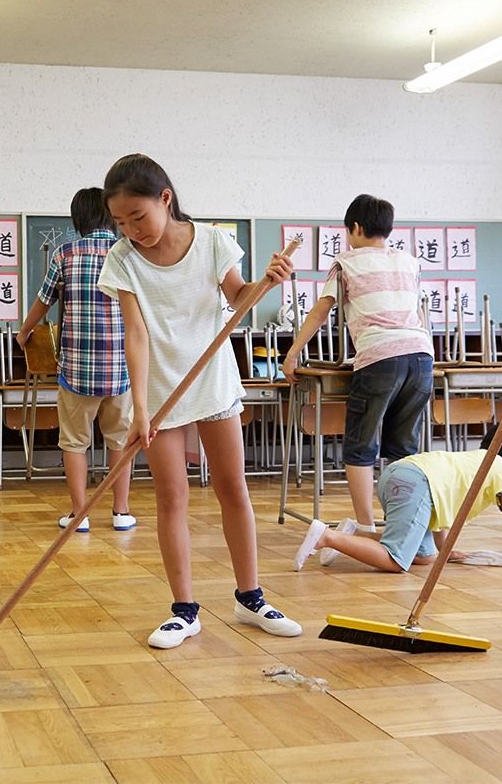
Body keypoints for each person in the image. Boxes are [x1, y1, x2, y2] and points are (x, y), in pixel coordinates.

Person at [96, 153, 300, 648]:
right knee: (172, 498)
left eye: (138, 217)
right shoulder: (121, 258)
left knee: (234, 488)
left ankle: (250, 597)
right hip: (161, 391)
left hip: (212, 383)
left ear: (165, 199)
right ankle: (185, 610)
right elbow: (135, 333)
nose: (131, 230)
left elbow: (238, 298)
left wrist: (266, 283)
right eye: (121, 222)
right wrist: (140, 408)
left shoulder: (211, 241)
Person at [282, 194, 433, 548]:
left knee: (360, 448)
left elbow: (322, 311)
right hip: (422, 356)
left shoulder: (345, 262)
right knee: (404, 451)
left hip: (380, 358)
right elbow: (418, 313)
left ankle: (366, 527)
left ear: (356, 228)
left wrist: (293, 353)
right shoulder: (410, 262)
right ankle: (405, 528)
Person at [17, 187, 135, 532]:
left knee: (74, 442)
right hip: (121, 368)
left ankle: (79, 516)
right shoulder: (128, 253)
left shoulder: (66, 253)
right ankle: (121, 512)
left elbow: (43, 301)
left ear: (79, 218)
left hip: (78, 370)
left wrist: (25, 333)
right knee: (120, 441)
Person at [294, 425, 502, 573]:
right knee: (395, 560)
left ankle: (354, 534)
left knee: (424, 556)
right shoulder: (500, 467)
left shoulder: (472, 459)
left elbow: (441, 511)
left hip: (399, 475)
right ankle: (328, 537)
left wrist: (446, 550)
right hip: (416, 484)